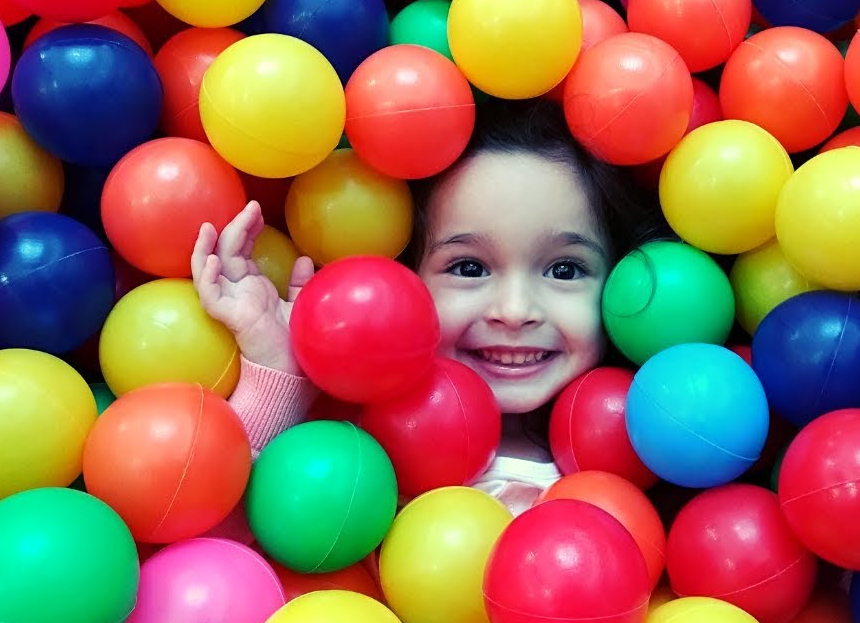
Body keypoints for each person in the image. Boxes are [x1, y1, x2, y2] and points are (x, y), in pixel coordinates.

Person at [192, 98, 664, 515]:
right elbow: (215, 536)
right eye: (469, 268)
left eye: (563, 270)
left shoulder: (653, 450)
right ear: (405, 281)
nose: (515, 310)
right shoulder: (357, 441)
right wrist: (281, 371)